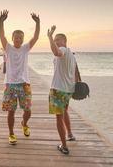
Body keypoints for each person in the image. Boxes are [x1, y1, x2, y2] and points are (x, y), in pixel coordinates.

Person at [0, 10, 40, 144]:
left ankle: (24, 123)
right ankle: (11, 133)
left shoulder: (25, 48)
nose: (18, 39)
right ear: (13, 39)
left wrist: (38, 23)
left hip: (24, 84)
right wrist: (1, 22)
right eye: (16, 37)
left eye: (21, 37)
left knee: (27, 110)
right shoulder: (8, 48)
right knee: (11, 111)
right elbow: (1, 35)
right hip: (10, 84)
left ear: (23, 39)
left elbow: (35, 37)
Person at [47, 26, 78, 155]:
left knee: (59, 117)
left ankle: (64, 146)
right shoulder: (72, 54)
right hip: (67, 90)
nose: (56, 41)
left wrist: (49, 37)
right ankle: (70, 134)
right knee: (64, 112)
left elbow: (56, 52)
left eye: (58, 40)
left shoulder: (63, 50)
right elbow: (75, 73)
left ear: (65, 42)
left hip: (58, 89)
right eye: (55, 39)